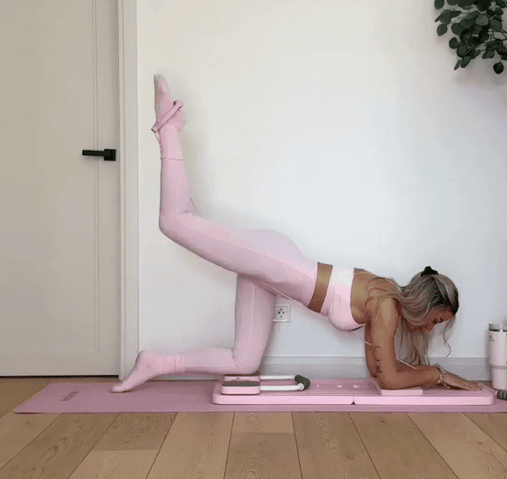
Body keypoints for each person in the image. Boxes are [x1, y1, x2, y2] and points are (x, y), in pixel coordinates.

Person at [111, 75, 482, 393]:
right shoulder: (386, 305)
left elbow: (380, 371)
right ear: (426, 304)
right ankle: (169, 129)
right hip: (277, 263)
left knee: (243, 362)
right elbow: (388, 379)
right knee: (175, 221)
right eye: (437, 320)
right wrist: (439, 375)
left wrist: (431, 375)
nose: (431, 329)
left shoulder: (386, 302)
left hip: (273, 273)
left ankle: (156, 363)